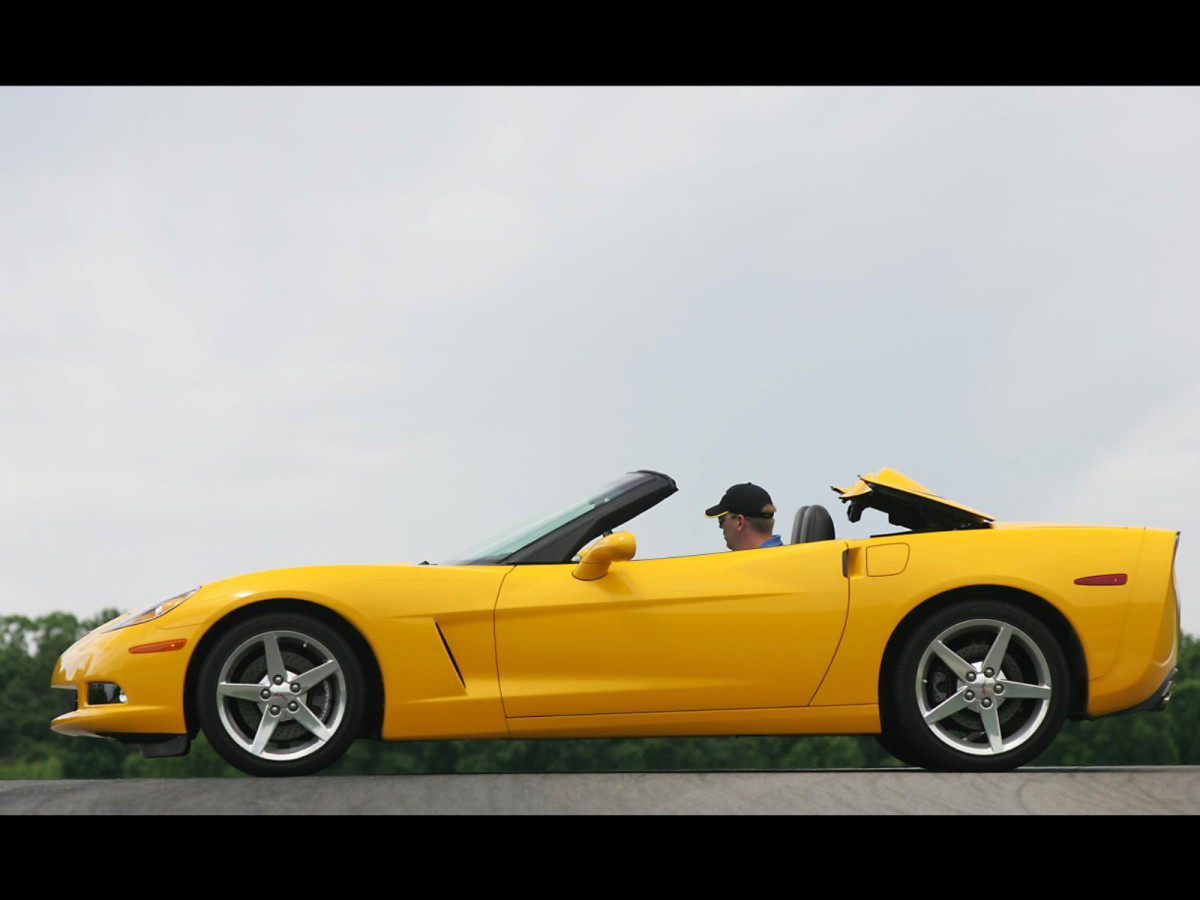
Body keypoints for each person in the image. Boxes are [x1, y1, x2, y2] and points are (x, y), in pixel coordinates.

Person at [705, 482, 783, 550]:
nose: (721, 527)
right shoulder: (789, 560)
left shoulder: (756, 565)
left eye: (721, 520)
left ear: (739, 522)